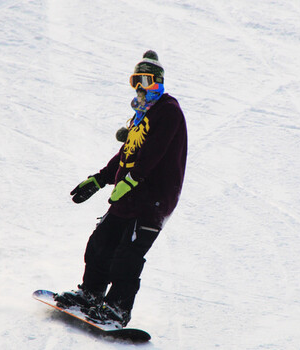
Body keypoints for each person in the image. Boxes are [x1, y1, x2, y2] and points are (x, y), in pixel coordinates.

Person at [54, 50, 188, 328]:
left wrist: (129, 181)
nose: (139, 87)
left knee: (127, 255)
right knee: (101, 242)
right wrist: (100, 179)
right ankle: (90, 294)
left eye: (146, 80)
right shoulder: (143, 116)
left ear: (158, 82)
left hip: (154, 198)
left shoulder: (168, 111)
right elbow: (127, 153)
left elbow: (154, 153)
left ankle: (117, 309)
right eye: (135, 80)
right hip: (129, 194)